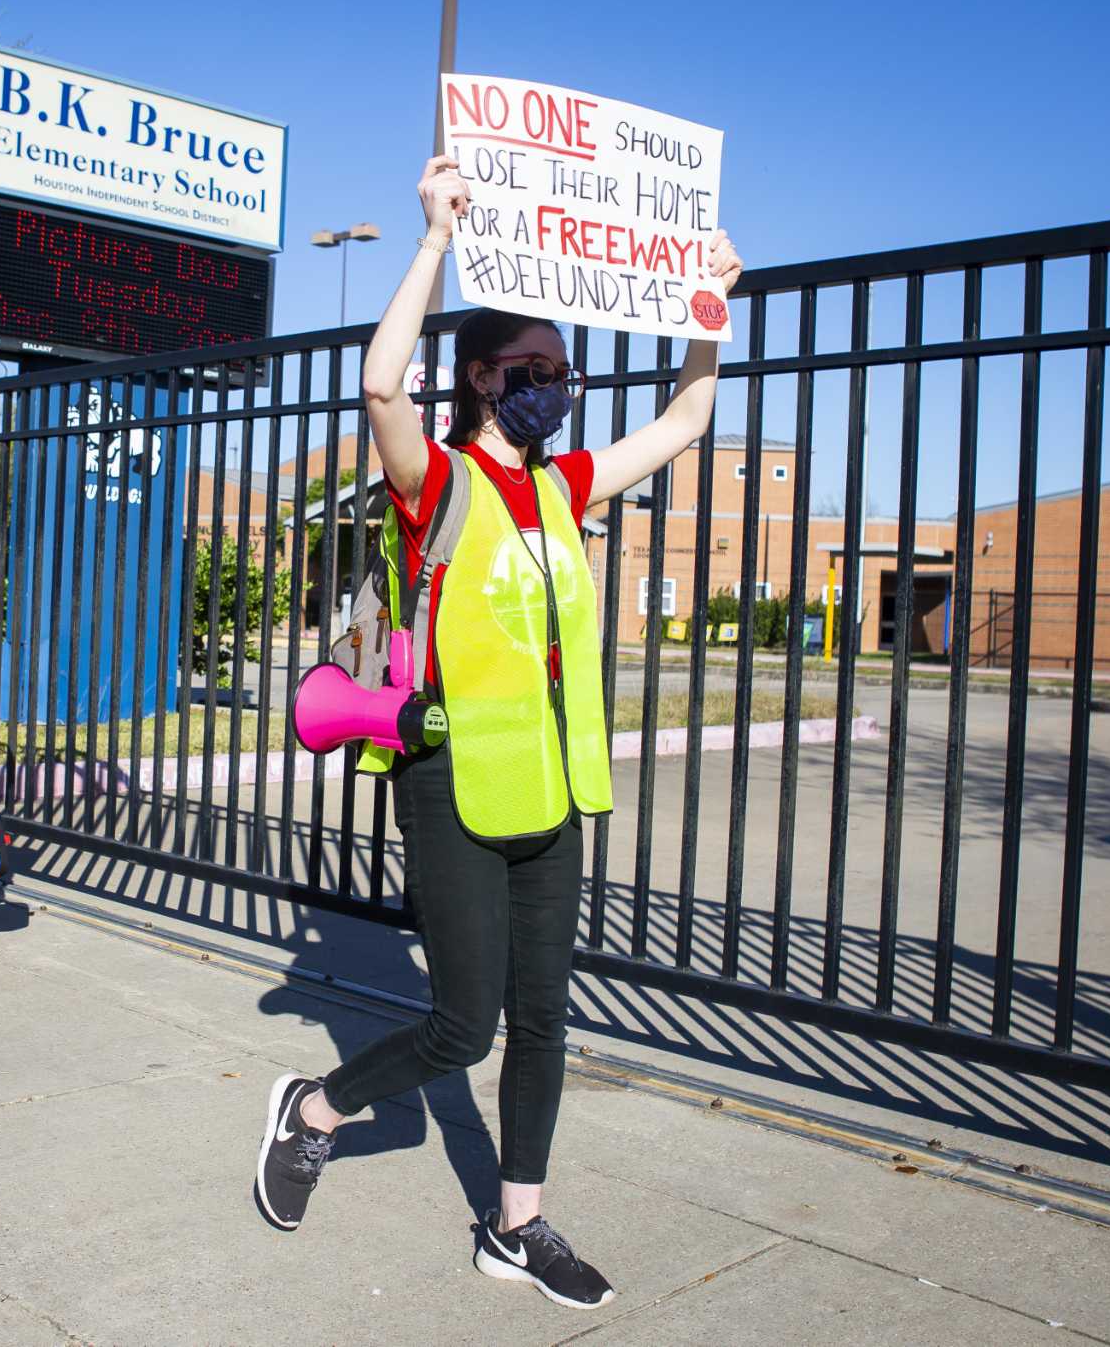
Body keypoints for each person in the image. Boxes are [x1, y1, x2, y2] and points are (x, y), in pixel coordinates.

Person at [252, 155, 743, 1311]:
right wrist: (431, 240)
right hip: (453, 782)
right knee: (460, 1029)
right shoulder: (442, 482)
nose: (553, 387)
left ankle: (515, 1226)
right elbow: (378, 390)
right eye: (529, 371)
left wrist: (712, 311)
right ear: (478, 378)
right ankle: (313, 1107)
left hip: (556, 788)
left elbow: (679, 423)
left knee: (544, 1021)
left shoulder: (564, 487)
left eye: (560, 371)